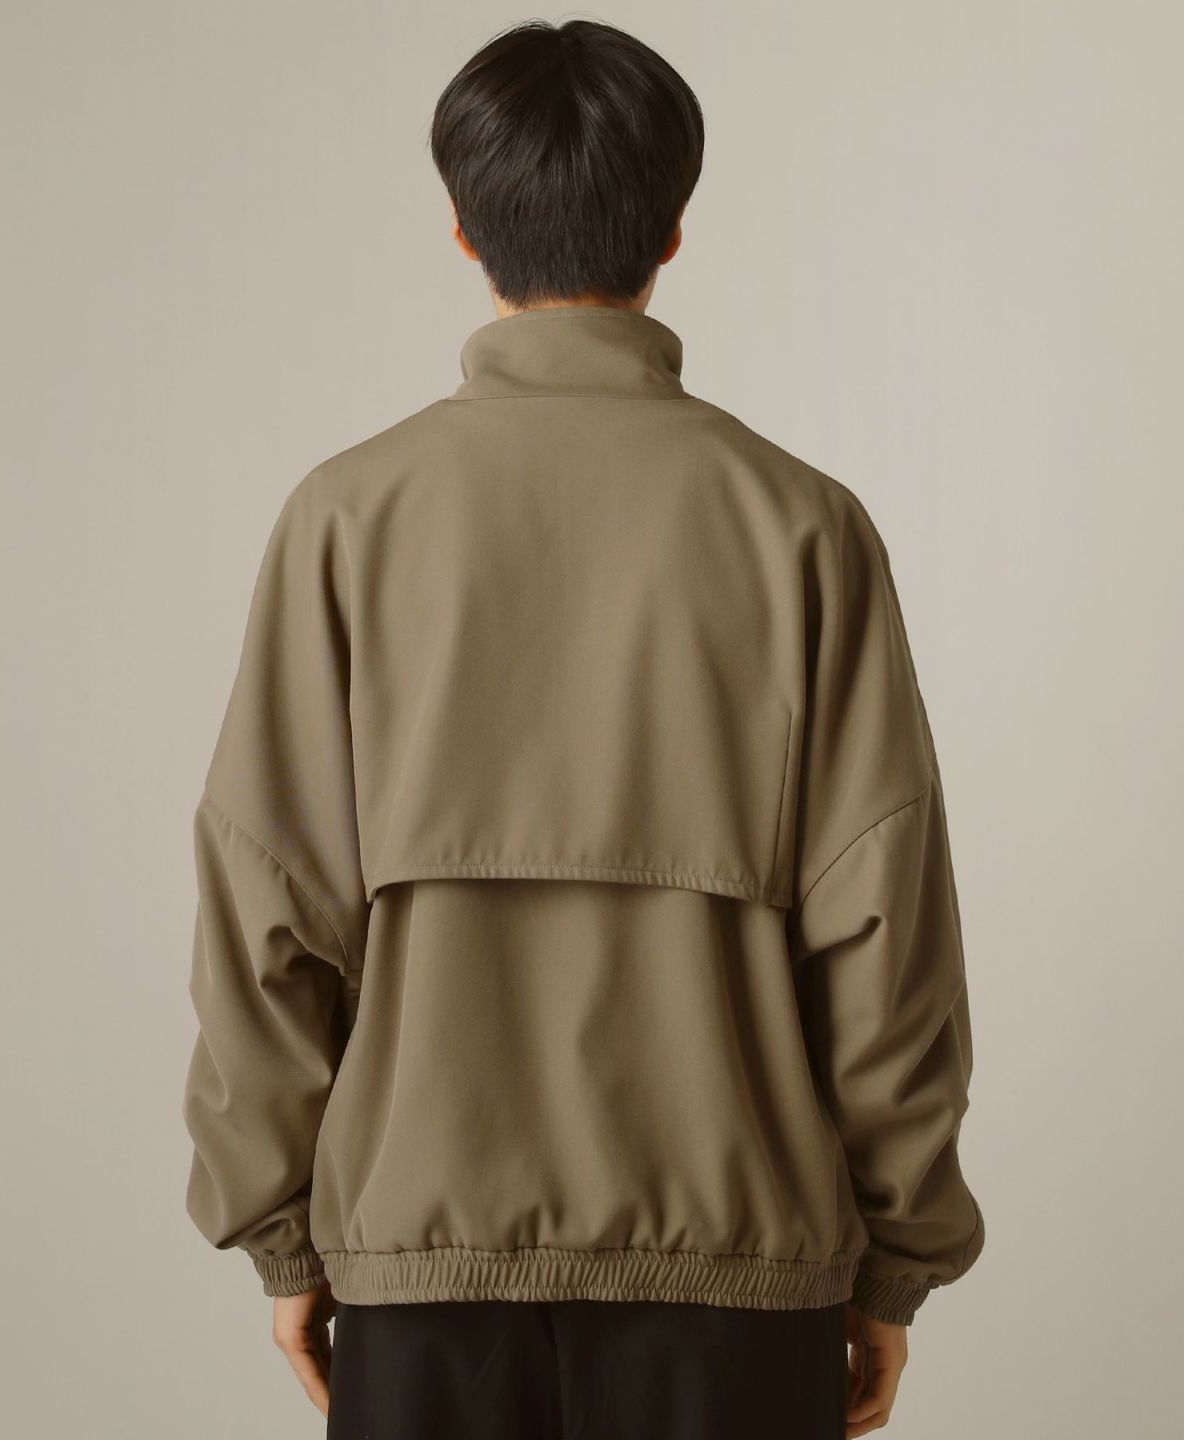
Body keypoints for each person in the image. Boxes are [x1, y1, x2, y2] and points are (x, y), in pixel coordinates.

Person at [181, 17, 986, 1440]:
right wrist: (896, 1261)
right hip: (740, 1278)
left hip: (423, 1273)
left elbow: (267, 907)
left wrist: (283, 1239)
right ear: (672, 229)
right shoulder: (801, 527)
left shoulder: (346, 520)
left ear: (462, 228)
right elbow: (886, 931)